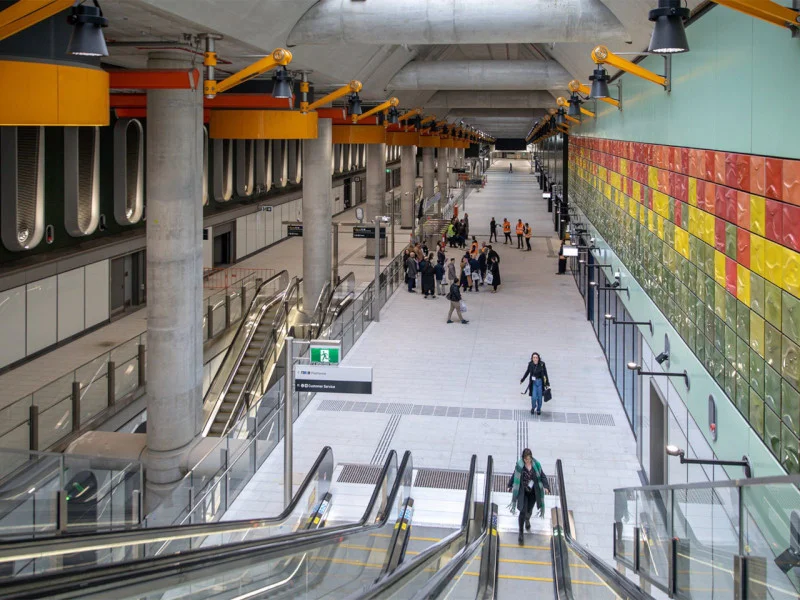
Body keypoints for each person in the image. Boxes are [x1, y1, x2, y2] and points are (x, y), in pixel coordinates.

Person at [506, 449, 551, 544]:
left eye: (529, 459)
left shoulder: (536, 465)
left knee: (529, 509)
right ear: (523, 458)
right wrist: (510, 485)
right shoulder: (519, 466)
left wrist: (546, 486)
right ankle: (521, 533)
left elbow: (542, 476)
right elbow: (515, 475)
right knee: (522, 510)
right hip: (523, 492)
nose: (527, 461)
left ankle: (527, 519)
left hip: (533, 492)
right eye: (526, 459)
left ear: (531, 457)